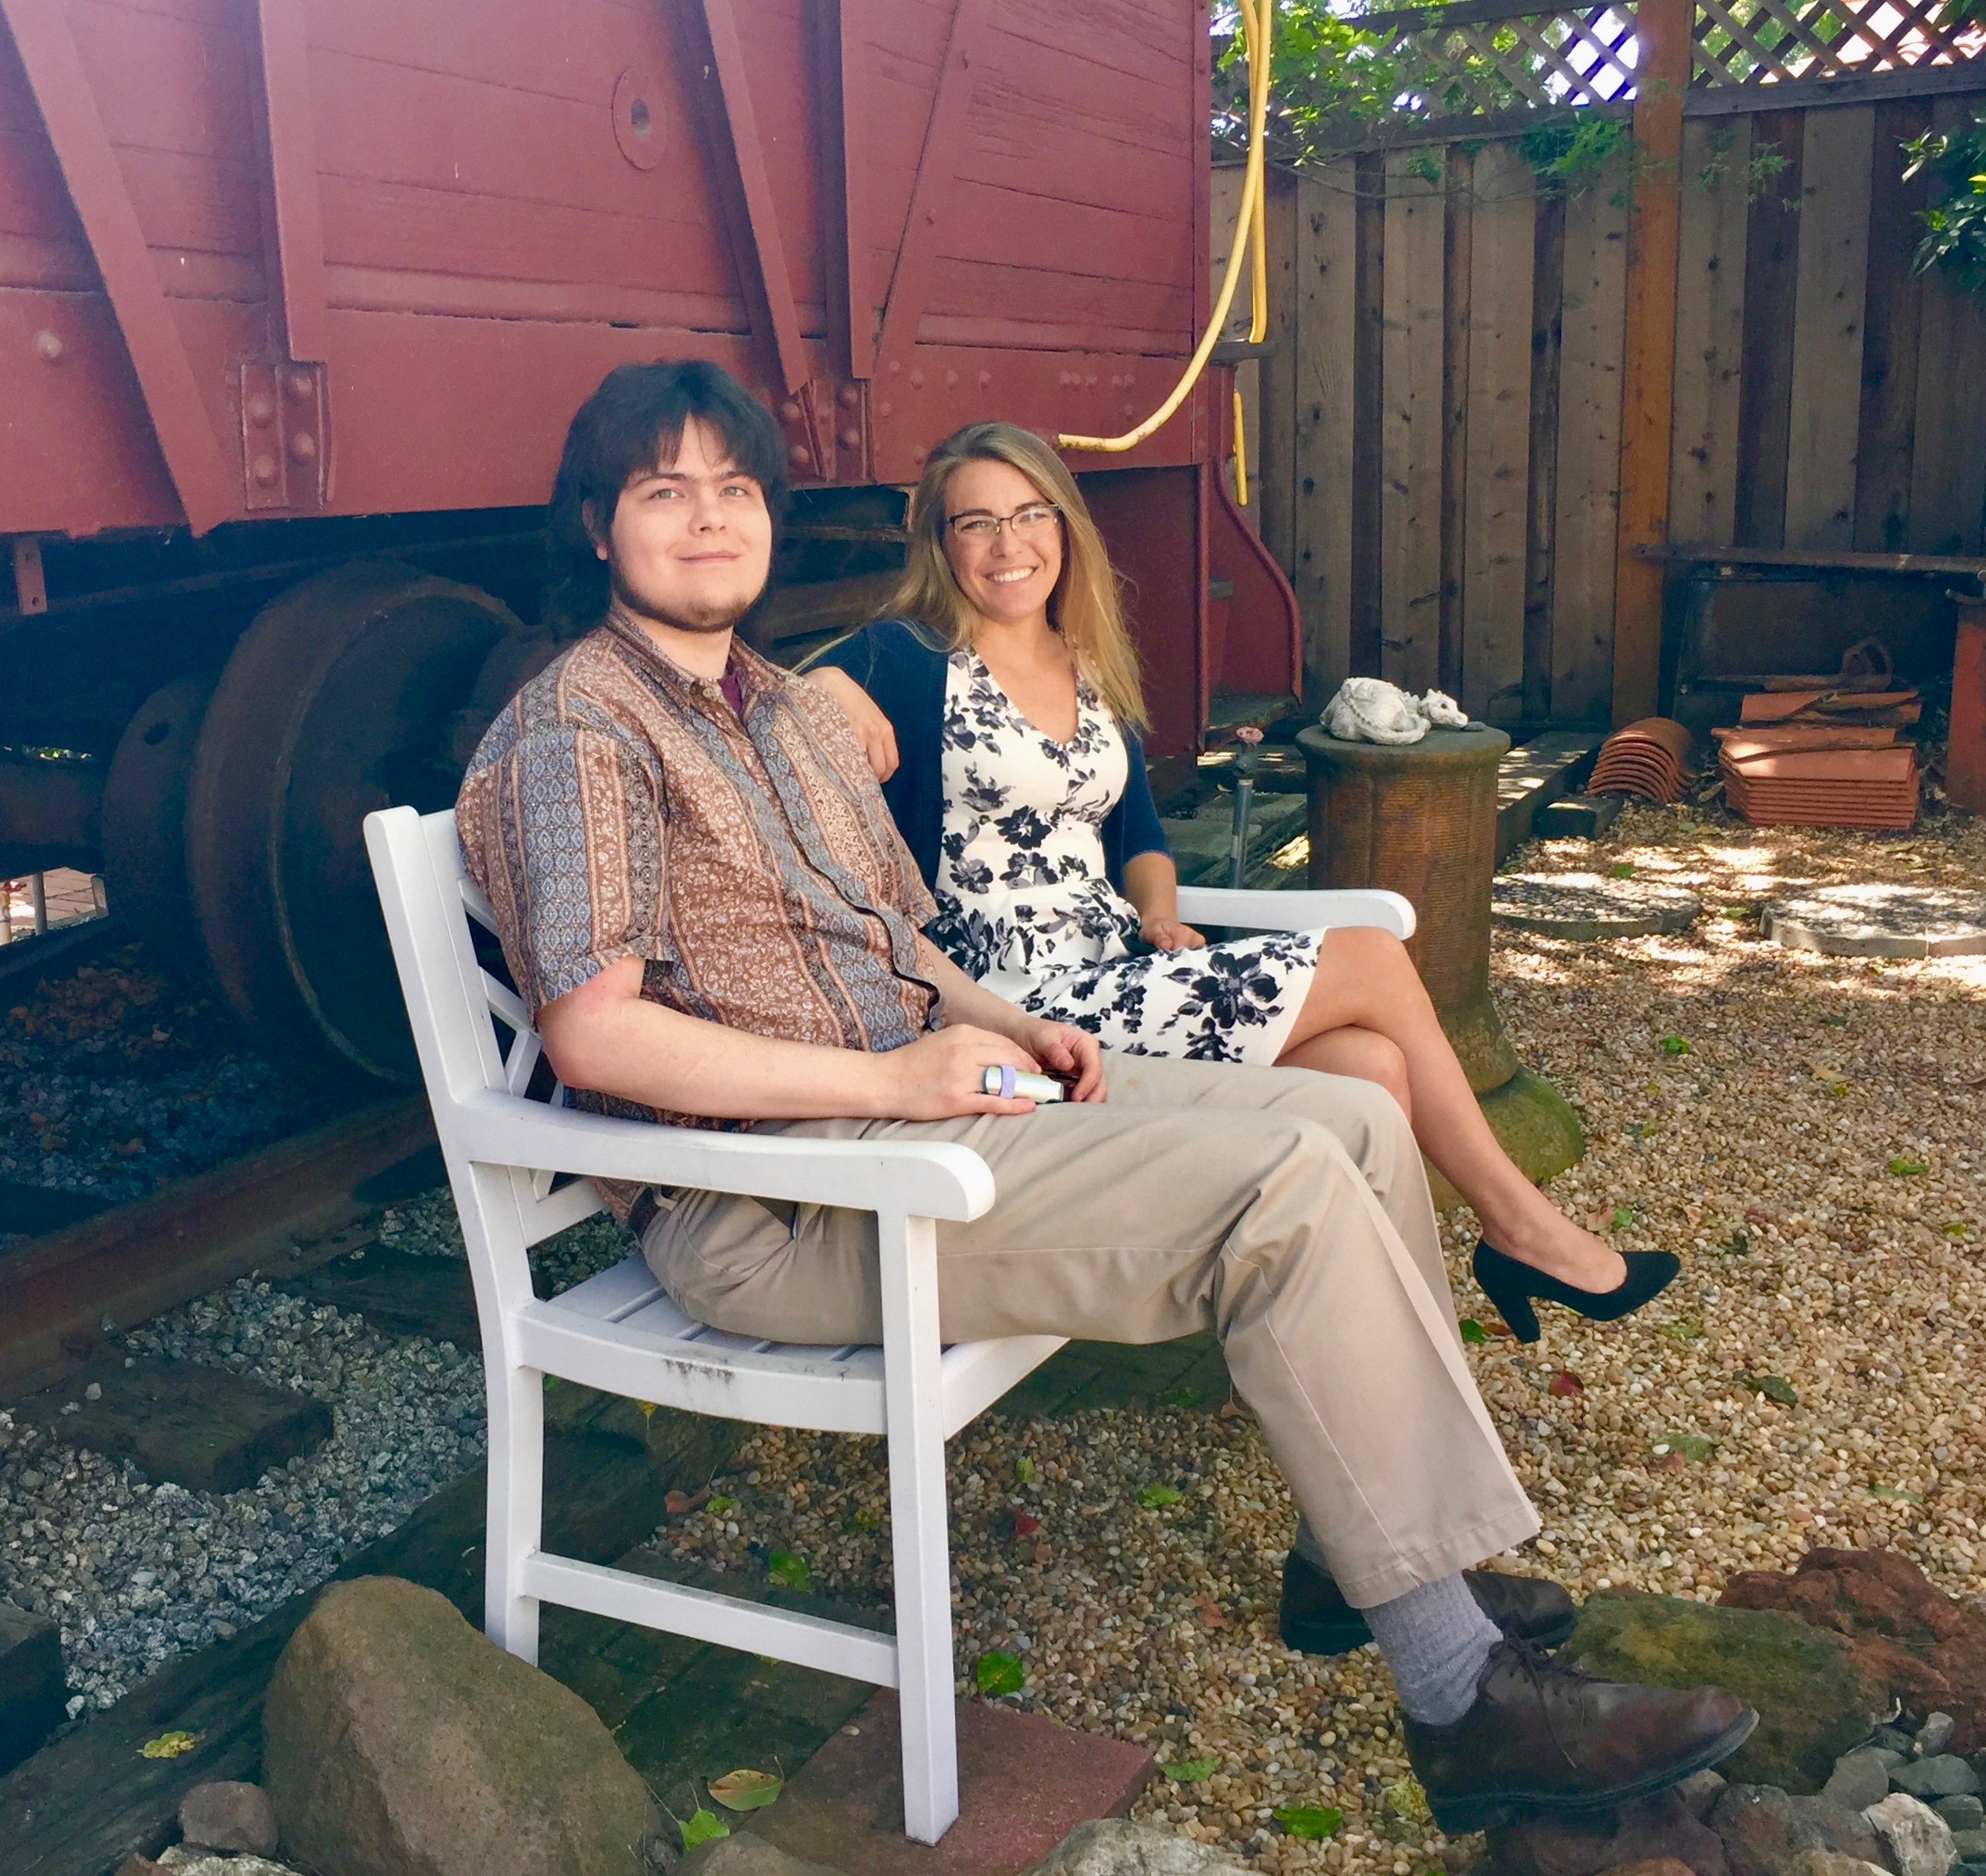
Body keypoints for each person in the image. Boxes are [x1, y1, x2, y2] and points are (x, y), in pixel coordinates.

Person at [454, 359, 1754, 1834]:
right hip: (783, 1197)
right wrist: (890, 1077)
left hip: (923, 1103)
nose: (707, 519)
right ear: (596, 524)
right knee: (1282, 1189)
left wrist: (1017, 1025)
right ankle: (1464, 1699)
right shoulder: (582, 729)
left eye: (733, 487)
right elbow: (598, 1034)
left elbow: (898, 943)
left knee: (1353, 1115)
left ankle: (1362, 1559)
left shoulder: (776, 711)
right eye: (663, 491)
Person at [804, 420, 1678, 1355]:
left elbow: (1137, 833)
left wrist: (1159, 913)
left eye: (1028, 514)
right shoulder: (906, 656)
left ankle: (1360, 1347)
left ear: (1064, 525)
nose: (1006, 543)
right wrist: (829, 687)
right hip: (1014, 1007)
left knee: (1370, 1067)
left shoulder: (1085, 663)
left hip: (1115, 972)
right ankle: (1521, 1230)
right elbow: (756, 695)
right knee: (1370, 955)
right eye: (974, 522)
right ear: (941, 544)